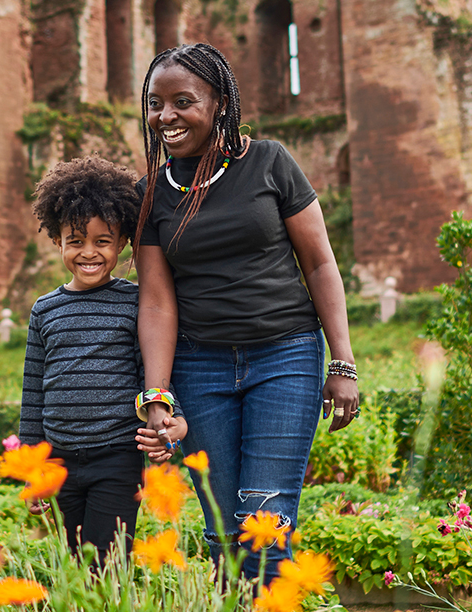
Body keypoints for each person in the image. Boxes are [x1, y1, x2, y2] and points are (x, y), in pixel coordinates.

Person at [130, 43, 361, 581]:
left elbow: (320, 264)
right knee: (222, 534)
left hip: (284, 356)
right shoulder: (151, 195)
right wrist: (157, 396)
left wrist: (343, 364)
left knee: (266, 523)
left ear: (219, 104)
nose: (165, 116)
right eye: (155, 102)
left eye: (182, 101)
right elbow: (157, 301)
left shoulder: (270, 162)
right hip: (199, 366)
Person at [17, 157, 187, 565]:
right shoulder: (45, 309)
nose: (88, 252)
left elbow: (152, 368)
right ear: (57, 240)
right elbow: (33, 392)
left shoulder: (135, 302)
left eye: (102, 241)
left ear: (123, 241)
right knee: (70, 565)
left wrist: (173, 418)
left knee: (106, 563)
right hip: (57, 460)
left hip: (116, 456)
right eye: (75, 240)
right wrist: (31, 467)